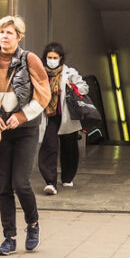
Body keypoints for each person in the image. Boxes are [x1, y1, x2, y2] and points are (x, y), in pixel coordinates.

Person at [0, 15, 51, 255]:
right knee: (3, 186)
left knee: (20, 182)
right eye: (2, 32)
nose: (5, 37)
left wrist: (23, 116)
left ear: (19, 37)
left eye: (10, 33)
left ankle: (33, 223)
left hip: (25, 130)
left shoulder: (30, 60)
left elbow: (43, 93)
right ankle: (9, 237)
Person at [37, 42, 89, 195]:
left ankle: (67, 177)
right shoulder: (40, 73)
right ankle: (50, 182)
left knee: (69, 148)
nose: (52, 60)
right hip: (50, 116)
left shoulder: (69, 72)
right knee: (49, 147)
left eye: (55, 57)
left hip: (66, 116)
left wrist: (71, 85)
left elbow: (85, 87)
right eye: (49, 57)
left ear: (60, 58)